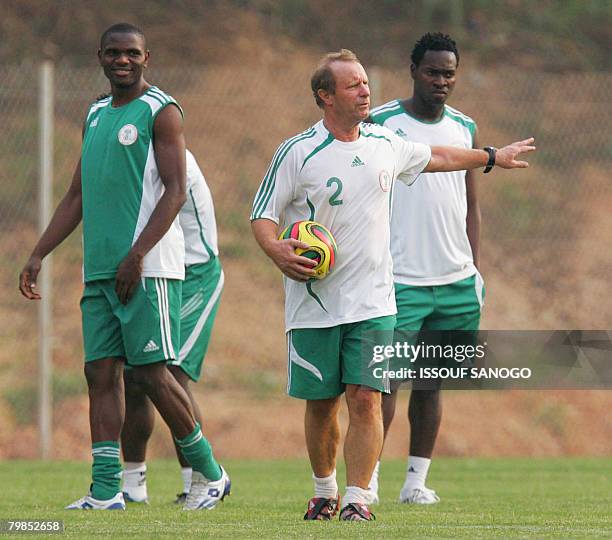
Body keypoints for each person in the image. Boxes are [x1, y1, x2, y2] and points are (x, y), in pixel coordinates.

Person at [250, 49, 534, 521]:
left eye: (365, 82)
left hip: (375, 301)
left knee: (367, 397)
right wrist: (277, 249)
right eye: (352, 85)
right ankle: (324, 490)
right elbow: (262, 216)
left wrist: (490, 156)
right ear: (325, 96)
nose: (365, 90)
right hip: (315, 303)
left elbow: (440, 156)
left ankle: (358, 499)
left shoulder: (385, 141)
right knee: (322, 404)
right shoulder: (297, 152)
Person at [18, 23, 229, 511]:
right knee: (99, 372)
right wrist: (39, 253)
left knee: (154, 374)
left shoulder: (163, 111)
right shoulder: (95, 113)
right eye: (113, 53)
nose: (122, 60)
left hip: (149, 269)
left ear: (146, 57)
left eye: (131, 53)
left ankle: (212, 473)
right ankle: (107, 490)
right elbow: (77, 195)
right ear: (100, 56)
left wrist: (137, 255)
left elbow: (175, 191)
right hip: (100, 272)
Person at [367, 32, 483, 505]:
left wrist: (474, 267)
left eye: (449, 73)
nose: (441, 80)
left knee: (431, 385)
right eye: (433, 71)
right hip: (399, 279)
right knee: (385, 384)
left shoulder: (465, 127)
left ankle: (415, 483)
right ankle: (367, 479)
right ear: (413, 71)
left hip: (454, 279)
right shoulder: (382, 125)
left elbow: (471, 206)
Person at [121, 149, 224, 505]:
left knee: (169, 375)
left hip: (194, 273)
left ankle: (200, 480)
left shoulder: (170, 154)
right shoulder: (126, 155)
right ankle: (133, 486)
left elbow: (166, 202)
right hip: (155, 272)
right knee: (135, 378)